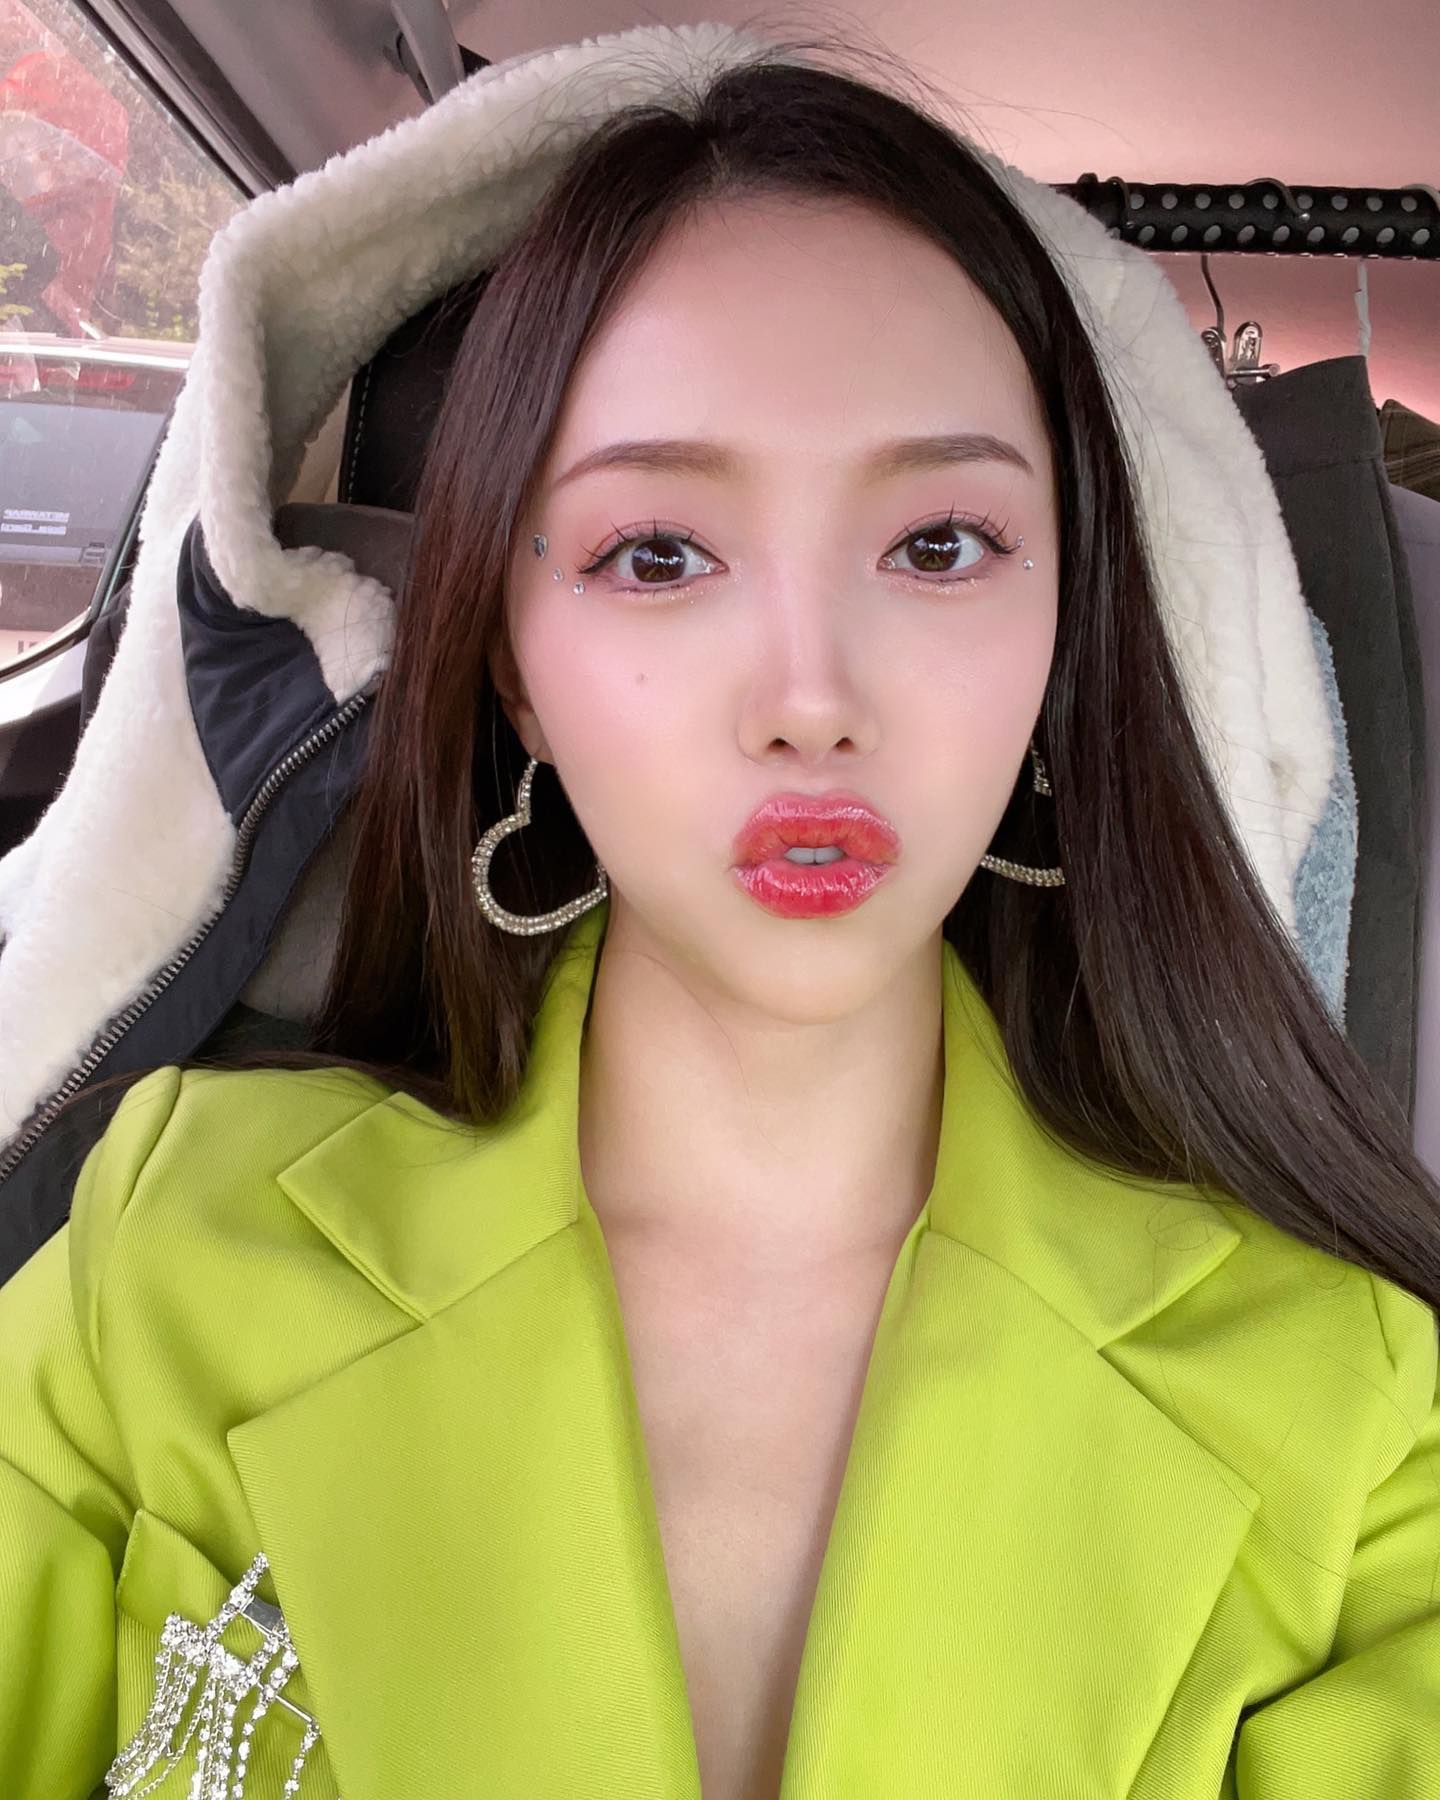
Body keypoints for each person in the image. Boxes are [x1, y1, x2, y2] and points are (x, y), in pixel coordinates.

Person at [0, 20, 1437, 1800]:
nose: (811, 698)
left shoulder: (1361, 1407)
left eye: (939, 546)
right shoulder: (163, 1256)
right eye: (659, 554)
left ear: (1067, 635)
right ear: (512, 668)